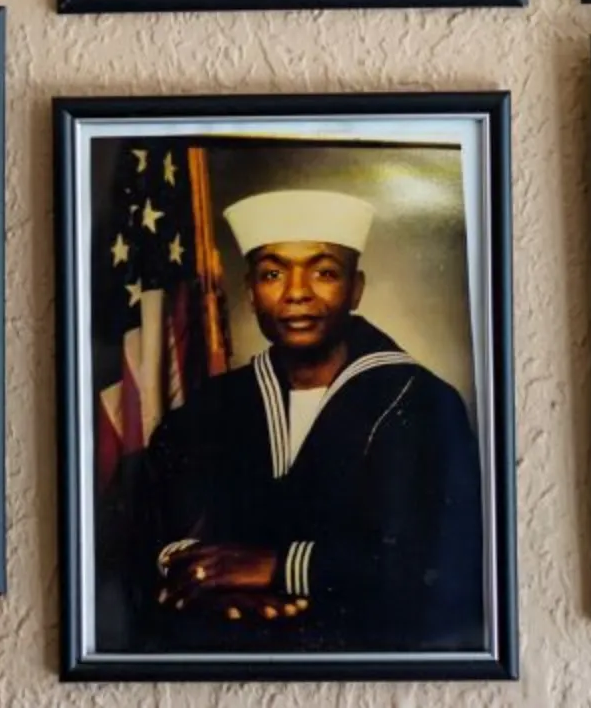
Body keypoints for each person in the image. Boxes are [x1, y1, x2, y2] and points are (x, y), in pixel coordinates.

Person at [123, 189, 485, 652]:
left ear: (355, 289)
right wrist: (201, 575)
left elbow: (447, 567)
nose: (296, 293)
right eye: (273, 273)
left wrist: (281, 567)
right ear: (251, 292)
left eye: (325, 272)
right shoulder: (212, 405)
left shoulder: (421, 403)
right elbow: (146, 530)